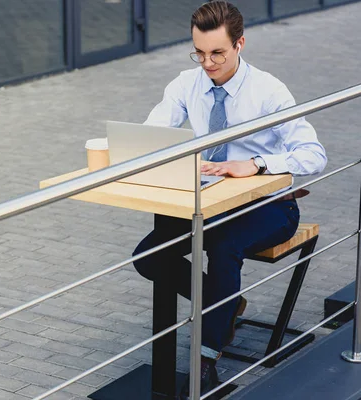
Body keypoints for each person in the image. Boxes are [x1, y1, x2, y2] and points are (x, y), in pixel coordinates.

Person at [131, 1, 327, 398]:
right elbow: (152, 133)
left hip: (269, 206)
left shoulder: (268, 91)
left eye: (217, 52)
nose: (207, 62)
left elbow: (314, 154)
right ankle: (226, 305)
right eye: (199, 52)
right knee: (149, 254)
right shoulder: (186, 83)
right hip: (209, 200)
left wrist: (254, 164)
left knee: (222, 246)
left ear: (240, 44)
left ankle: (206, 358)